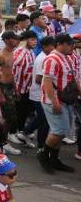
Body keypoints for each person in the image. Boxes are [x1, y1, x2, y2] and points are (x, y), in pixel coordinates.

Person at [37, 33, 77, 173]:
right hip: (53, 100)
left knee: (62, 131)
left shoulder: (65, 57)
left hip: (65, 100)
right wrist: (54, 102)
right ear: (61, 44)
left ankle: (54, 159)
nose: (73, 46)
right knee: (59, 131)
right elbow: (47, 81)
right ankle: (43, 155)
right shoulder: (52, 59)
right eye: (70, 44)